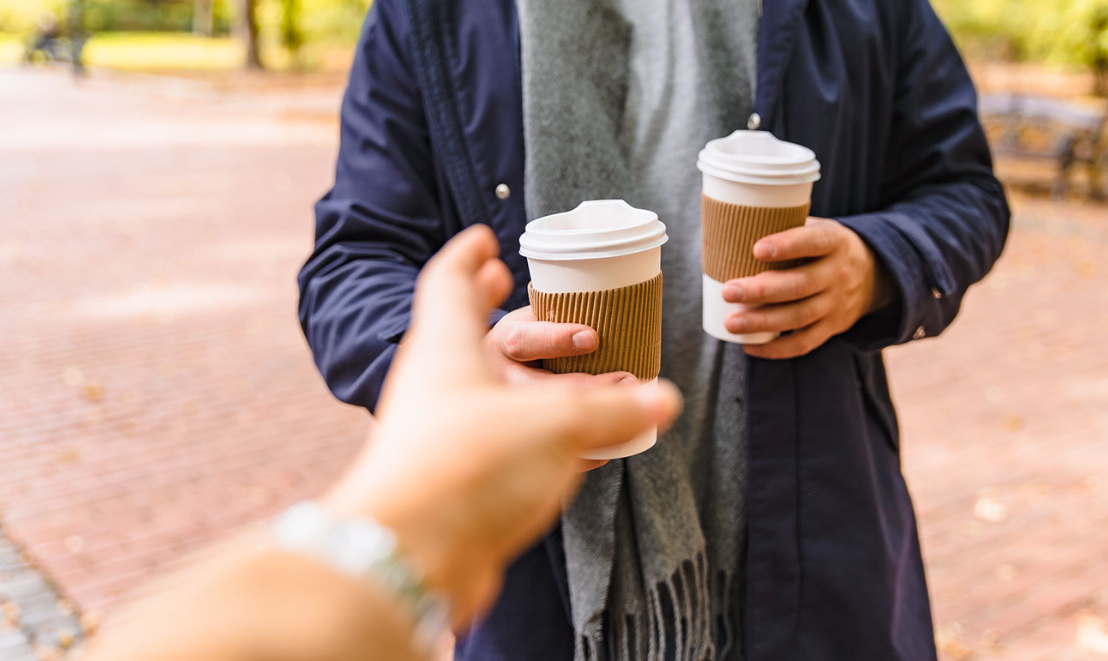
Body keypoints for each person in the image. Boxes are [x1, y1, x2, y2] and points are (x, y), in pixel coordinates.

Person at [297, 0, 1011, 656]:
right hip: (539, 583)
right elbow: (352, 263)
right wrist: (469, 365)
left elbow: (963, 189)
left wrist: (878, 261)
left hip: (820, 569)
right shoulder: (428, 10)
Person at [85, 226, 682, 661]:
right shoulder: (417, 44)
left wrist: (415, 520)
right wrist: (427, 503)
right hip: (525, 613)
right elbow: (350, 255)